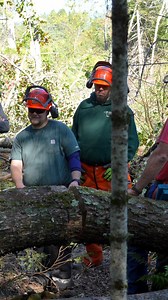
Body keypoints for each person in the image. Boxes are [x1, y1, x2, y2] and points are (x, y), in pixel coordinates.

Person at [10, 85, 81, 291]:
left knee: (59, 242)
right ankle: (39, 282)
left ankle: (62, 284)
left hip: (59, 195)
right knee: (37, 242)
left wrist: (75, 180)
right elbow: (16, 164)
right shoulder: (22, 137)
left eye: (38, 110)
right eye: (31, 109)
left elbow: (73, 156)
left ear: (47, 110)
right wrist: (20, 187)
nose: (34, 113)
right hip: (33, 197)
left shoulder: (60, 130)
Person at [72, 61, 139, 277]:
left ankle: (125, 260)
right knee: (87, 216)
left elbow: (132, 142)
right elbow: (73, 139)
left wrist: (120, 163)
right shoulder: (84, 108)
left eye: (104, 86)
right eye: (97, 86)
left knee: (123, 213)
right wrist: (74, 167)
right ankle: (95, 256)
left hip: (112, 172)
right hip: (86, 171)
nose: (100, 90)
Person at [128, 117, 168, 292]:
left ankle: (136, 291)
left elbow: (161, 156)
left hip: (165, 190)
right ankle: (160, 287)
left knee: (136, 234)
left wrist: (136, 189)